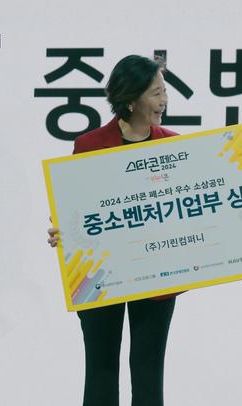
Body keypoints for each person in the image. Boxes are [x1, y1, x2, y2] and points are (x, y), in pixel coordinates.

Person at [47, 55, 179, 406]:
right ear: (131, 99)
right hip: (98, 274)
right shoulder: (88, 144)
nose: (164, 101)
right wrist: (64, 232)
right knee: (101, 370)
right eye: (156, 93)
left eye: (164, 92)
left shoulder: (174, 146)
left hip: (156, 274)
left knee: (149, 372)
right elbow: (76, 210)